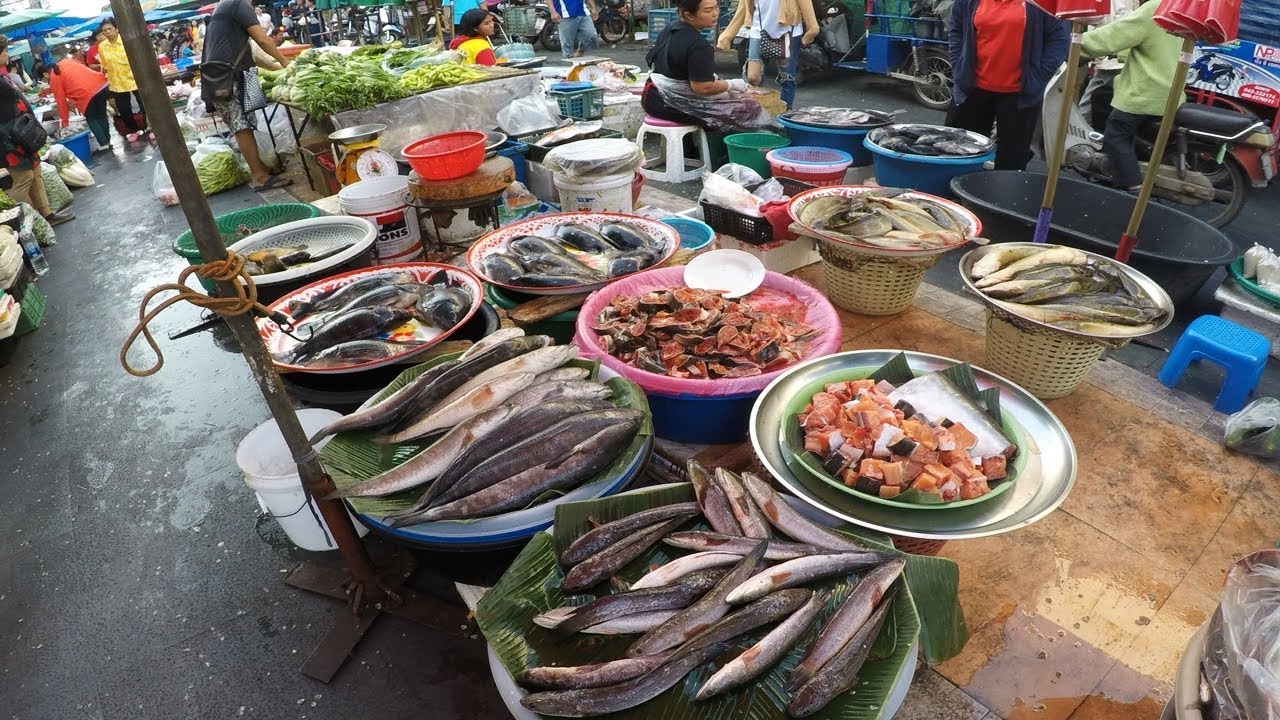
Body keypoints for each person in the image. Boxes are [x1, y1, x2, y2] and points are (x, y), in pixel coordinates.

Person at [947, 0, 1069, 170]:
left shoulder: (1041, 3)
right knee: (959, 152)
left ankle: (1001, 195)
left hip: (1019, 93)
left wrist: (1037, 77)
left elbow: (1059, 39)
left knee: (1011, 163)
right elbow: (956, 29)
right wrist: (959, 67)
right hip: (972, 88)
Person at [1080, 0, 1182, 191]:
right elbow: (1148, 41)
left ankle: (1133, 187)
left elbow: (1114, 35)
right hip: (1171, 91)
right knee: (1103, 98)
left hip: (1146, 91)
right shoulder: (1180, 8)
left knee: (1115, 135)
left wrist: (1077, 43)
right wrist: (1121, 54)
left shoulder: (1155, 8)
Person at [202, 0, 293, 191]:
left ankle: (260, 168)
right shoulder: (239, 4)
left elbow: (251, 51)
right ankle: (259, 177)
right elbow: (262, 39)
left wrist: (279, 67)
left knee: (244, 125)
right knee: (242, 126)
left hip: (221, 76)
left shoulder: (225, 6)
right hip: (228, 79)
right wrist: (286, 63)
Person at [644, 0, 770, 129]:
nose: (715, 14)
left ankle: (694, 146)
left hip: (651, 97)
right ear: (689, 15)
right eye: (708, 11)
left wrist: (723, 86)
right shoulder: (698, 45)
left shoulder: (671, 27)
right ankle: (717, 148)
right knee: (750, 109)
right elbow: (703, 88)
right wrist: (732, 84)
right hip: (668, 104)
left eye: (716, 8)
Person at [0, 38, 73, 226]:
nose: (8, 54)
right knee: (24, 178)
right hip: (8, 138)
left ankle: (46, 214)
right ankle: (20, 222)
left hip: (23, 134)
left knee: (36, 172)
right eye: (5, 51)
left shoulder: (3, 75)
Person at [716, 0, 819, 110]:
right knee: (752, 77)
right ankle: (752, 111)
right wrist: (727, 35)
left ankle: (785, 114)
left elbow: (805, 3)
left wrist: (812, 28)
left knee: (787, 78)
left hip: (789, 31)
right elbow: (743, 9)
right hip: (759, 31)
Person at [33, 49, 112, 151]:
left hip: (86, 93)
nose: (47, 82)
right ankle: (107, 141)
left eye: (45, 80)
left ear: (45, 74)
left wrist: (65, 124)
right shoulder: (66, 61)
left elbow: (61, 102)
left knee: (92, 118)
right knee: (101, 115)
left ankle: (103, 144)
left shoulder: (54, 76)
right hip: (100, 85)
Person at [97, 18, 151, 142]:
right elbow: (104, 64)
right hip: (116, 81)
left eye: (109, 29)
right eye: (104, 30)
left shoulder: (126, 41)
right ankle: (133, 130)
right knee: (124, 108)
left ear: (117, 29)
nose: (107, 32)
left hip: (134, 78)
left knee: (144, 104)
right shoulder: (102, 47)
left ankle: (149, 127)